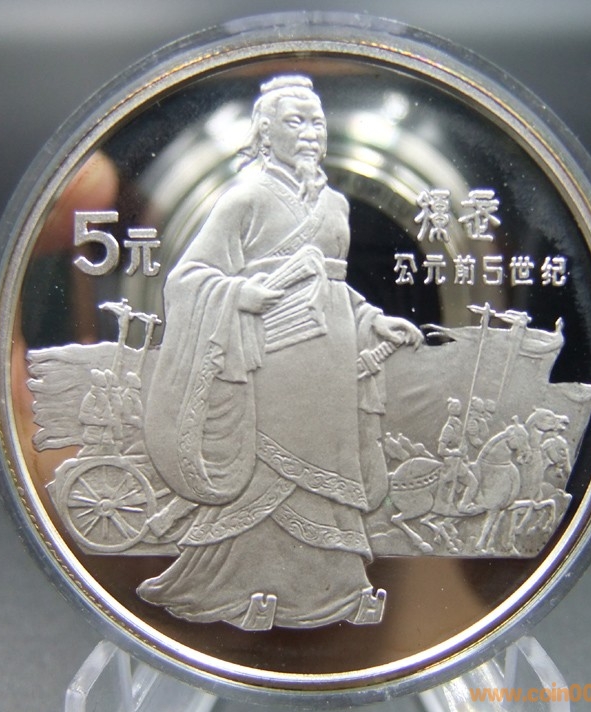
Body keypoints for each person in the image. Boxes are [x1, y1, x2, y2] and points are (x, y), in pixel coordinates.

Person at [138, 75, 422, 630]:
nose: (312, 132)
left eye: (317, 121)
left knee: (329, 472)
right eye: (296, 121)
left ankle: (343, 591)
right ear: (265, 132)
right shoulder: (244, 198)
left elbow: (334, 288)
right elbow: (188, 278)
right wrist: (240, 293)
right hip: (273, 355)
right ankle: (240, 590)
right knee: (267, 471)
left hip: (330, 362)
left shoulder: (336, 205)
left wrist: (371, 320)